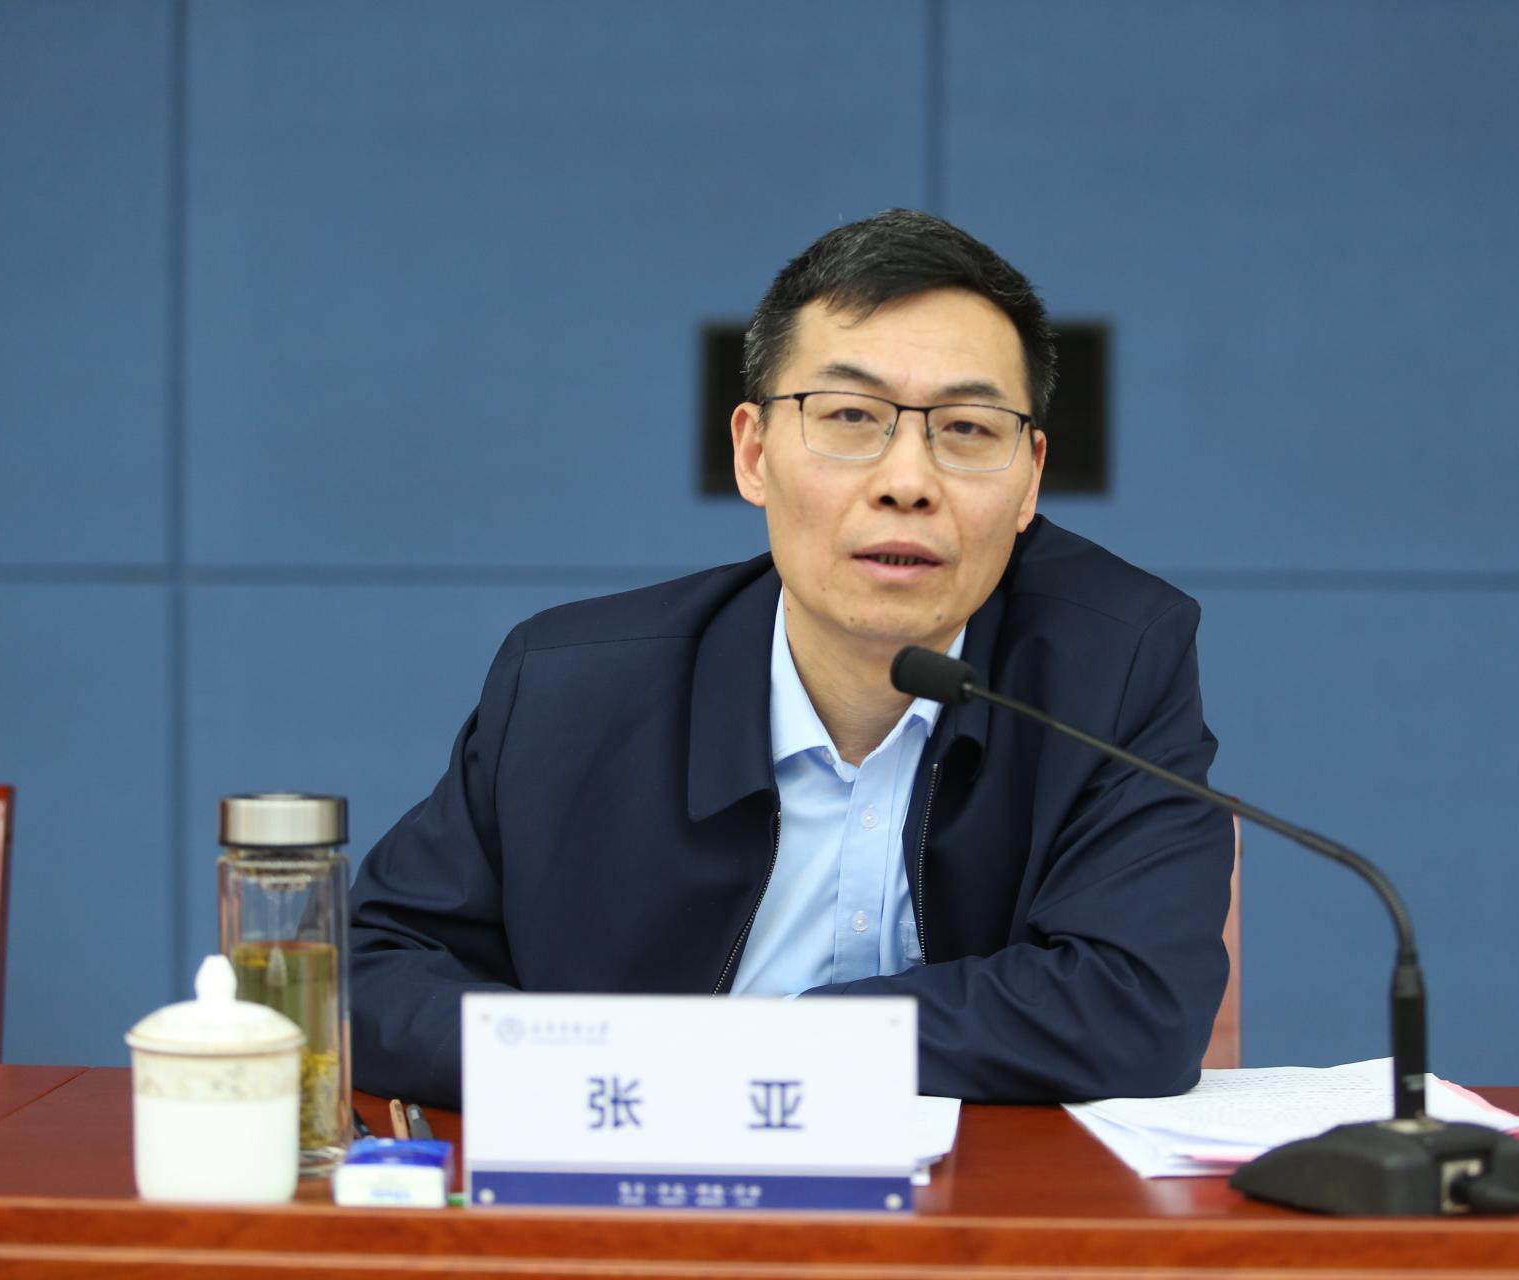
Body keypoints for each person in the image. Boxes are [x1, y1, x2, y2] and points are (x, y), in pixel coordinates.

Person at [348, 209, 1233, 1108]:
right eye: (849, 416)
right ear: (753, 453)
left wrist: (755, 1049)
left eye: (967, 428)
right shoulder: (570, 688)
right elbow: (372, 972)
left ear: (1030, 478)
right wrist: (603, 1066)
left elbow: (1137, 1003)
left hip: (973, 1198)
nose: (907, 482)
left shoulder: (1114, 663)